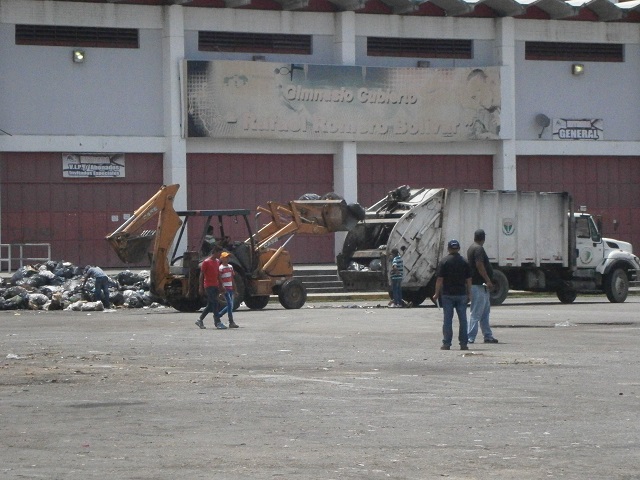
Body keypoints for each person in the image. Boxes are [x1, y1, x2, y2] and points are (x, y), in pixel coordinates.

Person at [432, 239, 471, 351]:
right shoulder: (464, 262)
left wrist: (436, 293)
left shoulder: (444, 262)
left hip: (447, 295)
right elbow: (468, 280)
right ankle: (463, 344)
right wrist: (470, 294)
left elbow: (439, 279)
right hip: (461, 294)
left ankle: (447, 344)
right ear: (458, 248)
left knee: (448, 320)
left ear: (448, 249)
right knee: (463, 320)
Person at [467, 229, 499, 344]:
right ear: (483, 238)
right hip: (478, 285)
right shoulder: (478, 249)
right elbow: (479, 265)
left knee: (485, 313)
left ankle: (488, 336)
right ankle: (470, 337)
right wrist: (488, 280)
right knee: (476, 313)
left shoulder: (472, 247)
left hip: (481, 286)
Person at [196, 247, 226, 329]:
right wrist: (200, 287)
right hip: (208, 286)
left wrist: (221, 285)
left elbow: (218, 274)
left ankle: (200, 319)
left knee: (211, 304)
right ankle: (218, 322)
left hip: (215, 285)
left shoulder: (217, 262)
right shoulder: (206, 262)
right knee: (215, 303)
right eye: (219, 253)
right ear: (215, 252)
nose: (220, 255)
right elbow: (201, 275)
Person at [217, 251, 239, 328]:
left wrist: (235, 289)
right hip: (225, 288)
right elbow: (219, 279)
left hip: (230, 288)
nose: (227, 259)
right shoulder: (220, 268)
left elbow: (232, 279)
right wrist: (221, 290)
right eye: (225, 257)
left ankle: (218, 315)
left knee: (231, 305)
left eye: (228, 257)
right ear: (222, 259)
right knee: (230, 304)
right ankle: (231, 321)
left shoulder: (230, 267)